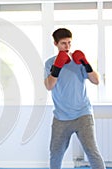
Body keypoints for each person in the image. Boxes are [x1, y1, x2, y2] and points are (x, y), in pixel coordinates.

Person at [44, 28, 105, 169]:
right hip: (61, 117)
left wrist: (86, 63)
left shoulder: (78, 60)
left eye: (69, 43)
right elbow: (49, 85)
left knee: (92, 151)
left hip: (83, 114)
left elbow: (96, 81)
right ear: (55, 43)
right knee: (55, 153)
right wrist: (57, 67)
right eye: (63, 43)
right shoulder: (49, 63)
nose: (67, 47)